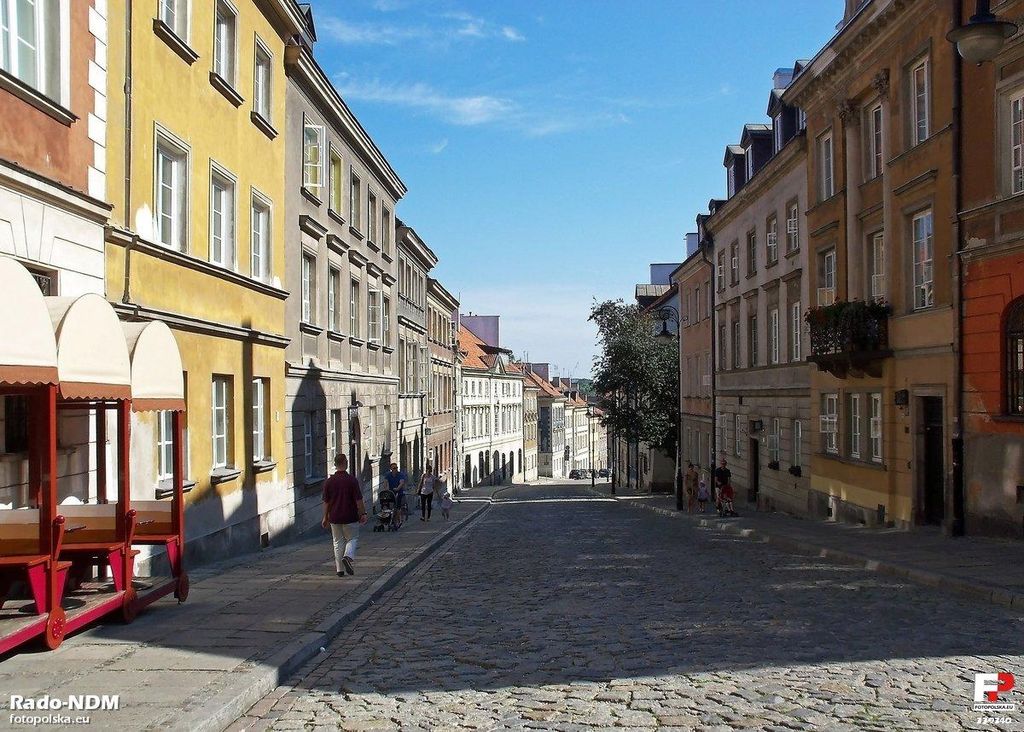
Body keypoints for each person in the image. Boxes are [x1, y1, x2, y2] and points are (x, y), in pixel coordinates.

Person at [321, 454, 368, 576]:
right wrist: (363, 513)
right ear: (346, 463)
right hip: (350, 516)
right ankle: (348, 556)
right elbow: (359, 500)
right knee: (352, 538)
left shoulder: (329, 482)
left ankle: (339, 570)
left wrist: (325, 517)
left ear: (335, 464)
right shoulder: (352, 480)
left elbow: (326, 502)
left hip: (334, 516)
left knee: (337, 542)